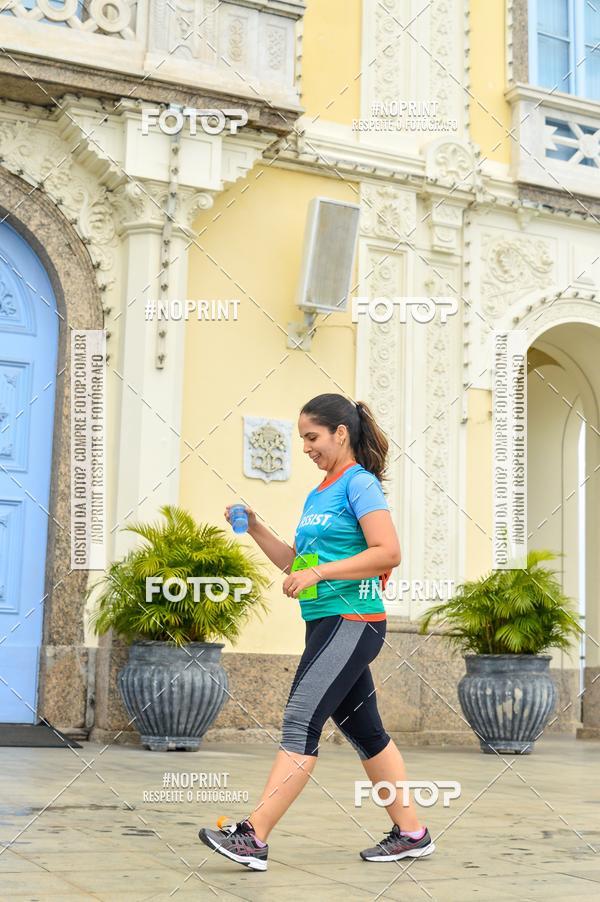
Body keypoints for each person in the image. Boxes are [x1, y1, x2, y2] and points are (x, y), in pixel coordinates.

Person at [198, 393, 435, 870]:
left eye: (312, 437)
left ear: (340, 433)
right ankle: (412, 833)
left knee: (300, 720)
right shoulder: (318, 494)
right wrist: (257, 528)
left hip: (353, 620)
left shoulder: (359, 483)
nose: (306, 447)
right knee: (366, 731)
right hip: (325, 623)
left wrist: (319, 574)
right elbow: (297, 564)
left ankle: (254, 837)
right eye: (303, 439)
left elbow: (388, 551)